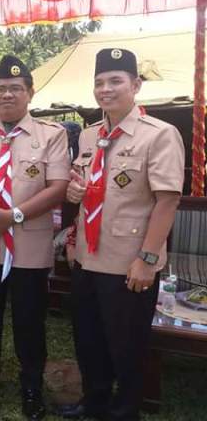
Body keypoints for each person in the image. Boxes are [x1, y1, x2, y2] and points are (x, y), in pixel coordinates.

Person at [56, 48, 184, 421]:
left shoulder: (159, 135)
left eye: (115, 81)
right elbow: (87, 189)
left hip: (129, 262)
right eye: (99, 82)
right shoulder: (91, 135)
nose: (105, 89)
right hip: (88, 257)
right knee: (89, 337)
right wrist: (74, 194)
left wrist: (146, 260)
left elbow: (167, 202)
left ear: (135, 85)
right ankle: (94, 401)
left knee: (126, 344)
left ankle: (126, 409)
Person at [0, 55, 69, 420]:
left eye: (16, 89)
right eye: (1, 88)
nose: (8, 95)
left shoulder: (50, 136)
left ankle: (32, 385)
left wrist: (14, 215)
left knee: (29, 318)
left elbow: (58, 188)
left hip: (28, 244)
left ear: (30, 94)